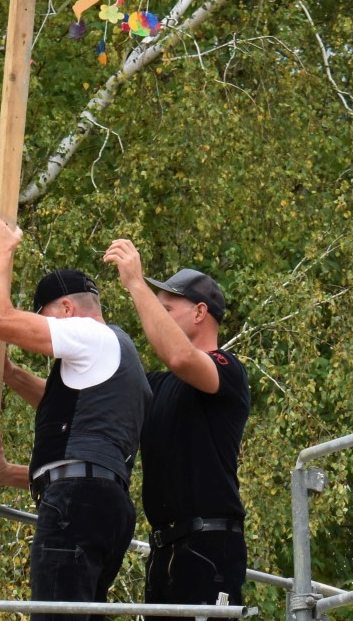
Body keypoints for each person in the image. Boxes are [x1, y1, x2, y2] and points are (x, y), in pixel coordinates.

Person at [0, 215, 152, 621]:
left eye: (45, 317)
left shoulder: (88, 333)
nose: (42, 329)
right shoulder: (113, 360)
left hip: (78, 504)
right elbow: (67, 414)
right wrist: (10, 376)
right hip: (104, 505)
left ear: (67, 308)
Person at [102, 239, 251, 608]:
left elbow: (181, 358)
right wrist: (11, 373)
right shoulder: (157, 386)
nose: (158, 314)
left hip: (210, 547)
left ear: (200, 313)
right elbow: (93, 401)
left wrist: (137, 284)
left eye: (167, 308)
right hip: (166, 551)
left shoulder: (227, 369)